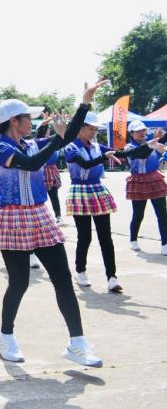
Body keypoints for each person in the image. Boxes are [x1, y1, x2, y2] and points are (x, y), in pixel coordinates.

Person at [0, 81, 107, 367]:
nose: (32, 122)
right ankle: (5, 335)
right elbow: (30, 164)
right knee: (19, 282)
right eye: (28, 117)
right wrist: (57, 138)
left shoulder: (31, 143)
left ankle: (77, 343)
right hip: (12, 216)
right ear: (14, 121)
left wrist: (85, 103)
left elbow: (64, 139)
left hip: (39, 214)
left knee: (63, 279)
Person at [64, 111, 141, 293]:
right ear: (80, 128)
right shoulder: (70, 148)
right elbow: (85, 164)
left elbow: (123, 153)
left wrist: (150, 146)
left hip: (97, 190)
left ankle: (112, 277)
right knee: (85, 236)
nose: (93, 133)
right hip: (80, 191)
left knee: (106, 237)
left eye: (95, 130)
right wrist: (105, 157)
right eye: (90, 129)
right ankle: (80, 270)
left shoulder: (97, 146)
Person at [124, 122, 167, 255]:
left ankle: (165, 243)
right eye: (138, 131)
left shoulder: (152, 143)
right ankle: (133, 239)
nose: (142, 133)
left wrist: (160, 139)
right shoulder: (129, 147)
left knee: (162, 213)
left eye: (143, 130)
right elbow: (142, 153)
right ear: (131, 133)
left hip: (154, 179)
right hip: (139, 180)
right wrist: (155, 142)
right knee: (138, 214)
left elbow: (157, 145)